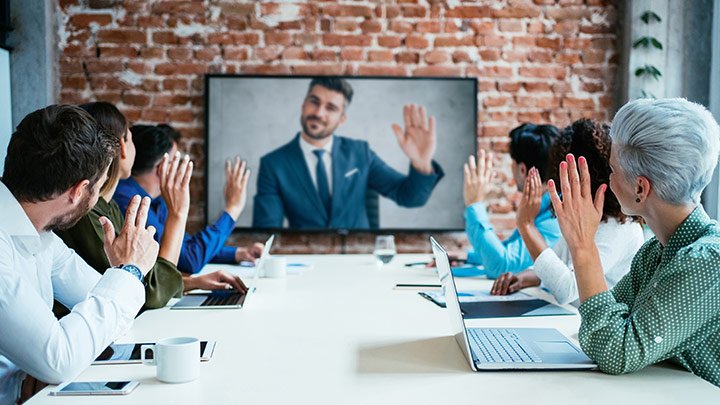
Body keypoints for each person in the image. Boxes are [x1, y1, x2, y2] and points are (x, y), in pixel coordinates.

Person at [548, 98, 720, 386]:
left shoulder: (706, 261)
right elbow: (601, 326)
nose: (609, 178)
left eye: (612, 171)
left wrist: (583, 246)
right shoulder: (654, 252)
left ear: (640, 188)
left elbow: (615, 350)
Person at [0, 105, 158, 404]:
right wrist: (129, 272)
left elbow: (115, 319)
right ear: (79, 190)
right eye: (98, 188)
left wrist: (120, 275)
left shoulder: (41, 233)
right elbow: (60, 359)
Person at [55, 102, 247, 315]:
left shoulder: (110, 205)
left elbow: (144, 278)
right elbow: (157, 285)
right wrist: (183, 213)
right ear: (122, 147)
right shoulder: (116, 206)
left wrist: (202, 277)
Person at [252, 77, 444, 229]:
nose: (319, 113)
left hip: (359, 257)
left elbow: (409, 197)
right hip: (304, 259)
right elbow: (267, 231)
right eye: (314, 102)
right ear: (303, 105)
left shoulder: (360, 153)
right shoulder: (273, 164)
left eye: (331, 108)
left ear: (341, 120)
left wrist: (421, 163)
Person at [490, 119, 645, 305]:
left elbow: (568, 290)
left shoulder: (620, 227)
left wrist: (526, 226)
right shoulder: (588, 218)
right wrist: (526, 277)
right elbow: (560, 265)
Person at [114, 124, 263, 275]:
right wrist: (233, 209)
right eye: (175, 162)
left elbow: (183, 247)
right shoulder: (132, 202)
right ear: (163, 167)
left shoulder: (156, 199)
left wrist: (237, 253)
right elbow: (190, 260)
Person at [457, 123, 561, 278]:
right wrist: (469, 257)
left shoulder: (556, 216)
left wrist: (474, 204)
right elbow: (510, 251)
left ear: (522, 169)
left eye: (512, 162)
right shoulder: (543, 206)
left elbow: (503, 267)